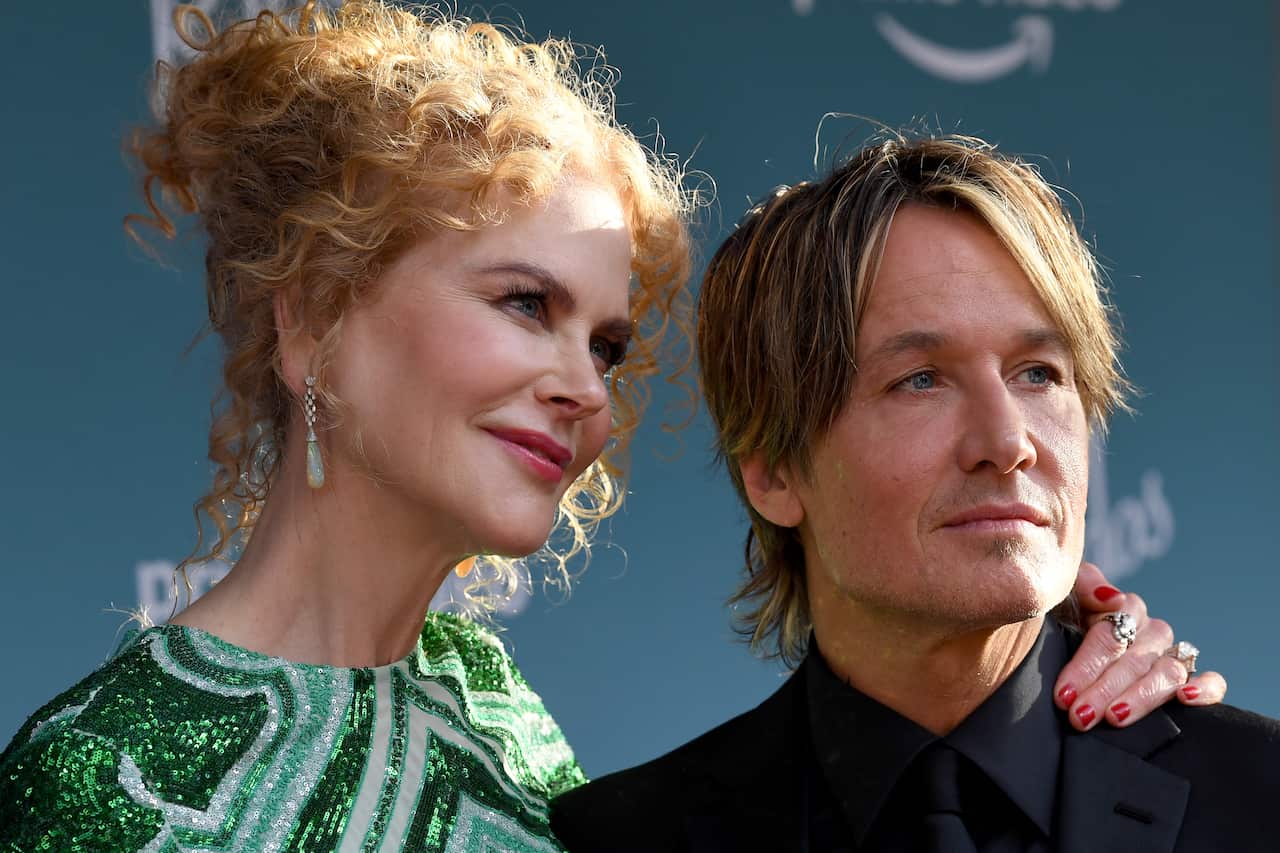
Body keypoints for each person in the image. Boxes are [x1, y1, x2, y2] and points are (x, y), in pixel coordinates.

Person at [0, 3, 1225, 848]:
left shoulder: (499, 716)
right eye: (523, 305)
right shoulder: (102, 771)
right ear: (315, 316)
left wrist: (1056, 650)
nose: (585, 389)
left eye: (605, 345)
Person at [550, 134, 1276, 851]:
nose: (1009, 442)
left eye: (1038, 373)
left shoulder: (1262, 795)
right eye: (920, 381)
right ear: (773, 471)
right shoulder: (621, 840)